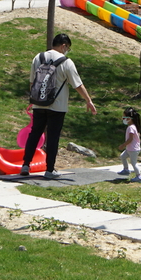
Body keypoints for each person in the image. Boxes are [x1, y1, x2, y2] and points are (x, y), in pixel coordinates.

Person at [21, 33, 97, 178]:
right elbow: (78, 85)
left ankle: (25, 165)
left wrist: (34, 100)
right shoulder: (66, 62)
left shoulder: (38, 58)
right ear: (63, 46)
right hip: (57, 106)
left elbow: (32, 82)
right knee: (53, 137)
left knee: (34, 134)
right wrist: (88, 100)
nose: (67, 50)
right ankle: (49, 170)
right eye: (67, 47)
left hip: (38, 103)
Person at [117, 107, 141, 183]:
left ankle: (139, 176)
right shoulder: (131, 127)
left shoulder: (131, 127)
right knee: (123, 156)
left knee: (134, 163)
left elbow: (130, 139)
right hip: (130, 149)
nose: (123, 119)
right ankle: (126, 170)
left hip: (133, 150)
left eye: (124, 117)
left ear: (129, 118)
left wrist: (123, 145)